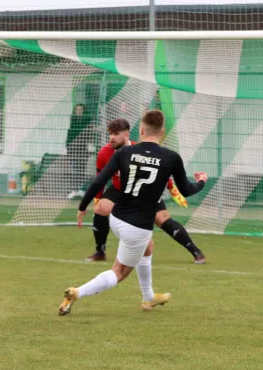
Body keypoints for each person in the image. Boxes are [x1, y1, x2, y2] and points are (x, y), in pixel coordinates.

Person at [58, 110, 207, 315]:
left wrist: (83, 207)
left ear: (142, 130)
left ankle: (149, 297)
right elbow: (188, 190)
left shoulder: (124, 153)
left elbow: (99, 181)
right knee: (118, 273)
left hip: (117, 217)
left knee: (148, 247)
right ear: (162, 132)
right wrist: (202, 181)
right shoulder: (171, 157)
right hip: (137, 227)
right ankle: (76, 292)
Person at [86, 118, 206, 264]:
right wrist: (97, 198)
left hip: (145, 192)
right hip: (120, 189)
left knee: (162, 219)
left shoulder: (139, 150)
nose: (111, 137)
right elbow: (100, 178)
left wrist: (173, 190)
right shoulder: (105, 152)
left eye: (116, 133)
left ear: (126, 134)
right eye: (110, 133)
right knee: (100, 209)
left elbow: (159, 171)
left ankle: (195, 251)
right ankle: (100, 251)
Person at [66, 103, 95, 199]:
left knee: (82, 169)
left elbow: (90, 133)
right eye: (77, 110)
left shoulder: (86, 121)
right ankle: (74, 190)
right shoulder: (73, 121)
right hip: (73, 149)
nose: (79, 111)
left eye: (81, 110)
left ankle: (81, 190)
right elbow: (70, 134)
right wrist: (67, 147)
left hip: (83, 149)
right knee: (74, 170)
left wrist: (90, 145)